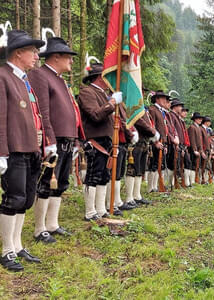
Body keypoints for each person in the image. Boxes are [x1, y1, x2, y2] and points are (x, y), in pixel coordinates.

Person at [29, 37, 85, 243]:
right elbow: (42, 111)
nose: (71, 61)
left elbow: (72, 112)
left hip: (67, 139)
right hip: (53, 139)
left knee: (60, 182)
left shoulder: (61, 80)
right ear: (56, 57)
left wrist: (76, 140)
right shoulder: (39, 75)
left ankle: (52, 224)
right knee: (46, 182)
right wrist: (49, 139)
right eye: (68, 57)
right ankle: (39, 228)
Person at [0, 30, 45, 271]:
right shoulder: (2, 76)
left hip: (29, 148)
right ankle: (6, 250)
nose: (37, 56)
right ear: (19, 53)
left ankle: (17, 246)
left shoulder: (22, 79)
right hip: (13, 149)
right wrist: (1, 153)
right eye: (33, 51)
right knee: (13, 198)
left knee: (26, 199)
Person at [77, 62, 123, 220]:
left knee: (104, 175)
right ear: (99, 78)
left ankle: (101, 209)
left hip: (105, 139)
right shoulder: (87, 92)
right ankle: (90, 212)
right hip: (94, 139)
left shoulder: (103, 94)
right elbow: (95, 115)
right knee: (93, 175)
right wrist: (111, 103)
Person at [125, 104, 158, 206]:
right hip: (136, 142)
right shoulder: (133, 105)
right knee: (132, 169)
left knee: (139, 170)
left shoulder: (143, 109)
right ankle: (129, 197)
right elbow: (139, 122)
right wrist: (152, 132)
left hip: (144, 142)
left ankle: (137, 195)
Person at [148, 91, 173, 192]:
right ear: (157, 99)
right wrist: (155, 141)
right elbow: (151, 126)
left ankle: (156, 185)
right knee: (153, 164)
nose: (165, 100)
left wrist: (165, 143)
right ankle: (151, 187)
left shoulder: (162, 112)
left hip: (162, 141)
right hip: (155, 141)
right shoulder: (152, 109)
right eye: (162, 98)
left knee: (160, 164)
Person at [187, 112, 204, 186]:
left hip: (198, 150)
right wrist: (194, 150)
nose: (200, 120)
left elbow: (200, 141)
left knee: (196, 165)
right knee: (192, 165)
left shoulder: (198, 128)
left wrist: (200, 150)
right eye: (199, 118)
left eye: (201, 119)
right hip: (192, 150)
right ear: (195, 119)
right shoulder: (192, 127)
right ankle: (190, 181)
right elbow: (192, 139)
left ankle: (193, 181)